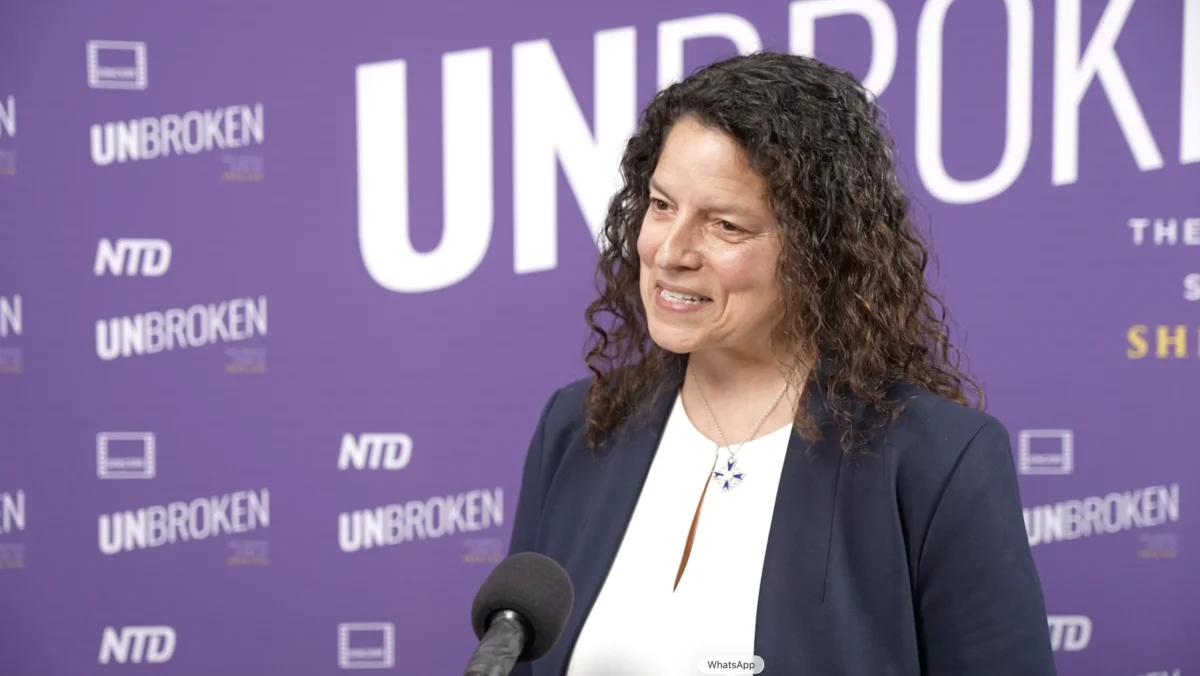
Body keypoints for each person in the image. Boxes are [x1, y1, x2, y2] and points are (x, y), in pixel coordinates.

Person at [506, 51, 1056, 676]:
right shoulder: (578, 426)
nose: (670, 251)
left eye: (725, 225)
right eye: (661, 205)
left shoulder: (936, 460)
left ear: (818, 253)